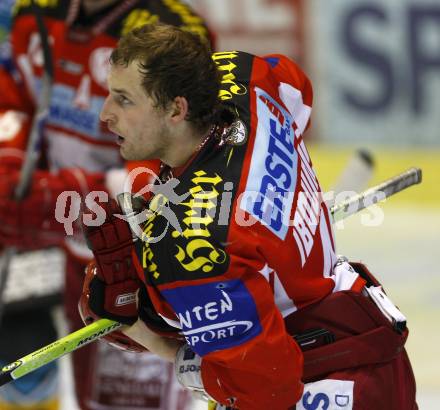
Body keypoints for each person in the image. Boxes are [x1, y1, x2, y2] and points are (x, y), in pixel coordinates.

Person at [79, 22, 418, 410]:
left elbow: (266, 391)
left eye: (124, 100)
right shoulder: (243, 75)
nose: (105, 114)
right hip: (369, 350)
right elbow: (298, 93)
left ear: (176, 108)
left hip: (324, 387)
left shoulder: (193, 247)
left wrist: (151, 335)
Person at [0, 1, 213, 409]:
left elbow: (181, 146)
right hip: (66, 234)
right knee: (87, 395)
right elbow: (15, 101)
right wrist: (10, 171)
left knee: (128, 401)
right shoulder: (36, 14)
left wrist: (107, 195)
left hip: (141, 249)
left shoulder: (172, 32)